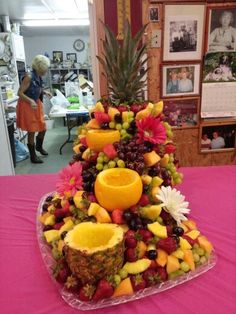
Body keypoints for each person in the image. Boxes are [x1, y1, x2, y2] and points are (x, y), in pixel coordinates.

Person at [16, 55, 51, 163]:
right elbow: (20, 93)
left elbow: (36, 88)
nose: (46, 70)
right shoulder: (29, 76)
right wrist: (30, 101)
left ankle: (38, 147)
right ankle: (33, 156)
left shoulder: (38, 76)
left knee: (43, 127)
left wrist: (44, 92)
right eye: (45, 68)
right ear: (40, 67)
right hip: (28, 105)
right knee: (31, 131)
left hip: (36, 103)